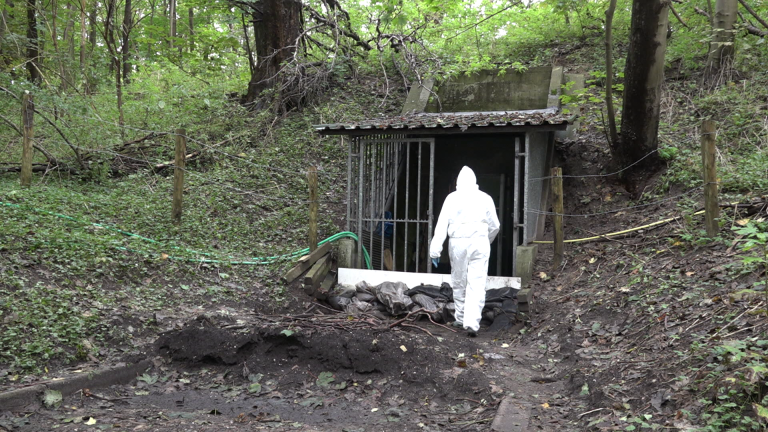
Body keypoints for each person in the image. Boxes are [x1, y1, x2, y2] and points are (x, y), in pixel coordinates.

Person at [429, 166, 500, 337]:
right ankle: (472, 323)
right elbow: (495, 225)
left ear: (457, 183)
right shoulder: (485, 198)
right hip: (479, 243)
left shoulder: (451, 198)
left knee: (459, 280)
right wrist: (486, 241)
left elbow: (441, 225)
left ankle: (460, 318)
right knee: (477, 282)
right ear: (475, 181)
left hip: (458, 244)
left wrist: (435, 250)